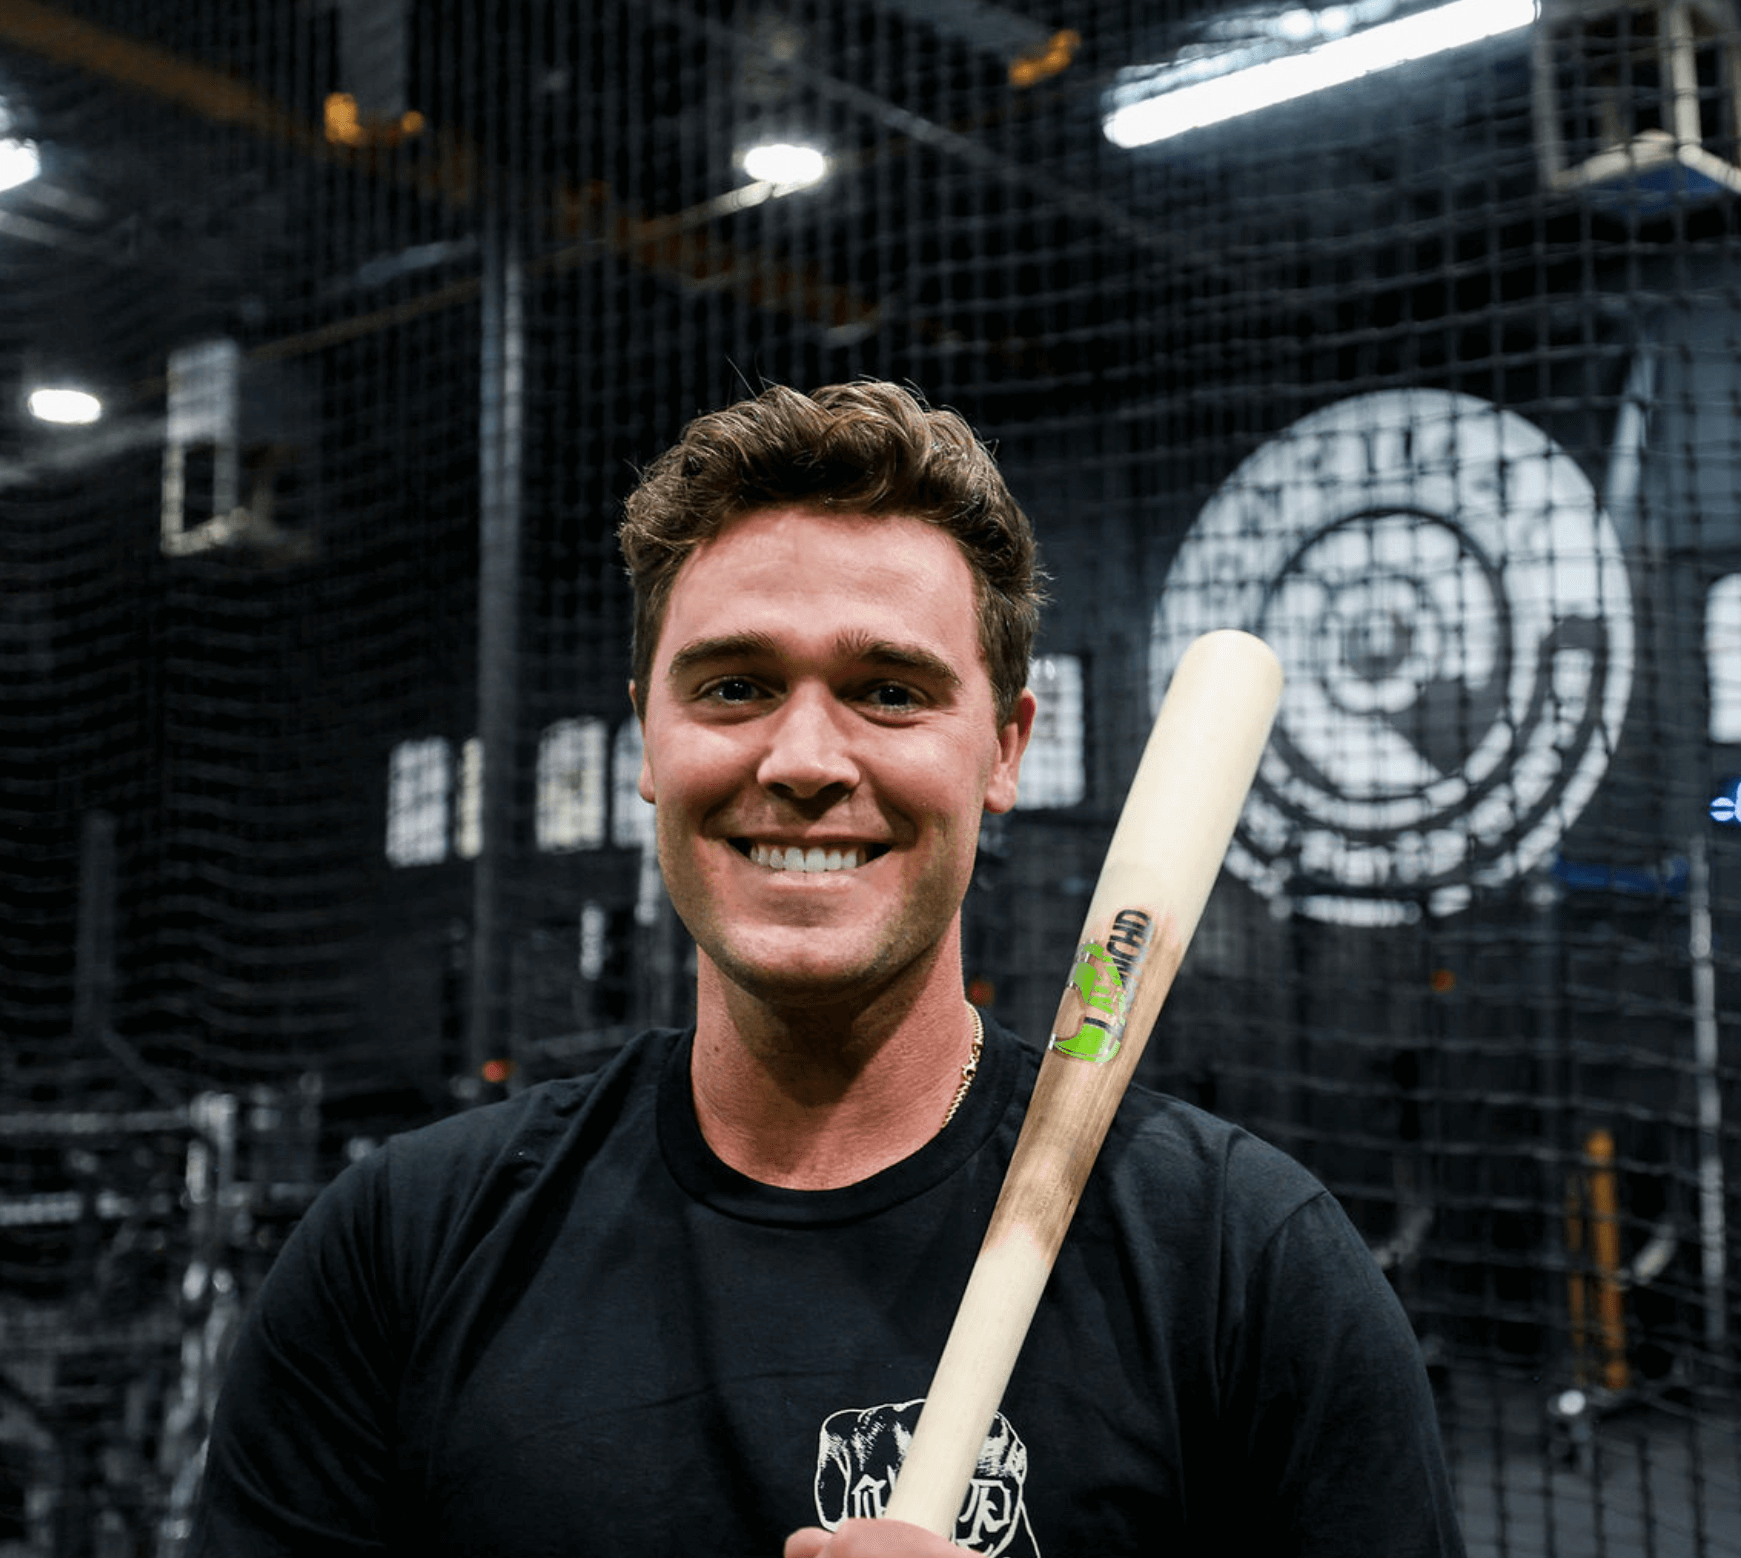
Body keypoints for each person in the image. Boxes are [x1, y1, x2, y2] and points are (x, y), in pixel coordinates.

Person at [189, 380, 1465, 1557]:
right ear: (648, 738)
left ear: (1005, 747)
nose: (803, 757)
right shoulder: (403, 1248)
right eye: (735, 684)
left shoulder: (1247, 1261)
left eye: (891, 690)